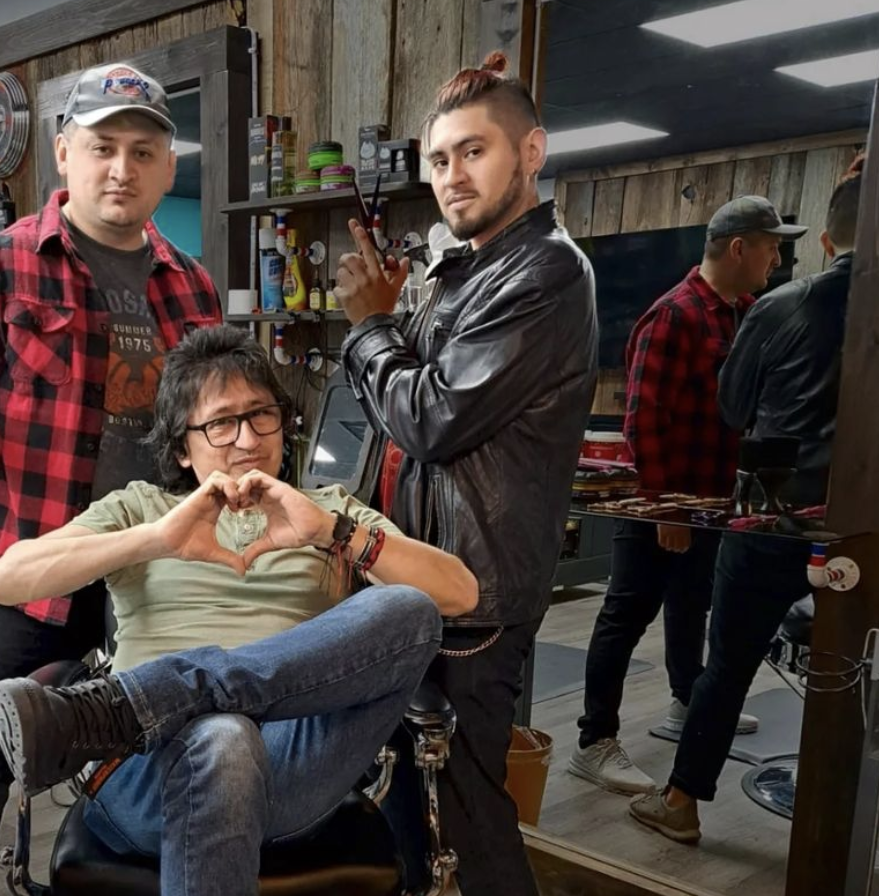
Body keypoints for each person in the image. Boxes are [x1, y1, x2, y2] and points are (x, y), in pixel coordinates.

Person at [0, 325, 478, 895]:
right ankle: (163, 707)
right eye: (220, 423)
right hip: (146, 772)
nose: (246, 439)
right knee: (224, 739)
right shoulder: (142, 509)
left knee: (409, 610)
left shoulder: (326, 511)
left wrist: (330, 532)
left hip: (294, 765)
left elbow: (458, 593)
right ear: (180, 448)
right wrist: (156, 540)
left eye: (261, 414)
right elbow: (5, 578)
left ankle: (141, 701)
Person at [0, 63, 221, 896]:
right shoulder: (0, 264)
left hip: (148, 566)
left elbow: (201, 436)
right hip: (29, 562)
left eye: (144, 150)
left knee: (161, 743)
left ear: (169, 166)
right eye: (104, 146)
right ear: (64, 152)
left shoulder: (193, 286)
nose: (123, 168)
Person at [332, 52, 597, 895]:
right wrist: (392, 321)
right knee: (416, 794)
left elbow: (433, 418)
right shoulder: (469, 266)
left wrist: (372, 325)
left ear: (531, 152)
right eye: (439, 160)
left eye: (474, 151)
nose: (452, 176)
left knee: (468, 808)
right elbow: (402, 406)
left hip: (472, 591)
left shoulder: (545, 270)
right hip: (424, 574)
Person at [630, 156, 864, 844]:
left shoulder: (780, 306)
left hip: (771, 519)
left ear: (825, 241)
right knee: (856, 666)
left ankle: (681, 802)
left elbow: (733, 407)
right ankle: (845, 816)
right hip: (861, 529)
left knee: (728, 664)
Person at [569, 195, 804, 794]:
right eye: (771, 245)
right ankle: (594, 740)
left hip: (713, 502)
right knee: (626, 614)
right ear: (738, 247)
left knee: (691, 604)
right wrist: (666, 508)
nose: (777, 257)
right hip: (664, 501)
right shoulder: (671, 316)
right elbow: (643, 419)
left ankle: (684, 702)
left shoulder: (743, 311)